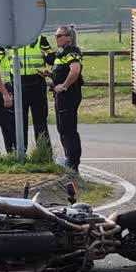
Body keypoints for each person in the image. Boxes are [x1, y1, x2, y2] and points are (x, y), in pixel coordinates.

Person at [51, 25, 83, 172]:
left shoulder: (72, 52)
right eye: (56, 36)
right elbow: (62, 72)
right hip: (60, 96)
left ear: (69, 38)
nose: (57, 38)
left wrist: (64, 86)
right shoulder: (61, 53)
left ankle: (73, 162)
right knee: (62, 128)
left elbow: (75, 70)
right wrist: (50, 75)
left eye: (60, 35)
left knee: (68, 129)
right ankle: (68, 158)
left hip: (68, 96)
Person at [15, 34, 54, 147]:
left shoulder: (40, 39)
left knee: (40, 120)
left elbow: (52, 59)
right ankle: (21, 153)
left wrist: (46, 55)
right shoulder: (13, 38)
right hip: (19, 82)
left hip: (37, 82)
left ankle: (44, 152)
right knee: (20, 121)